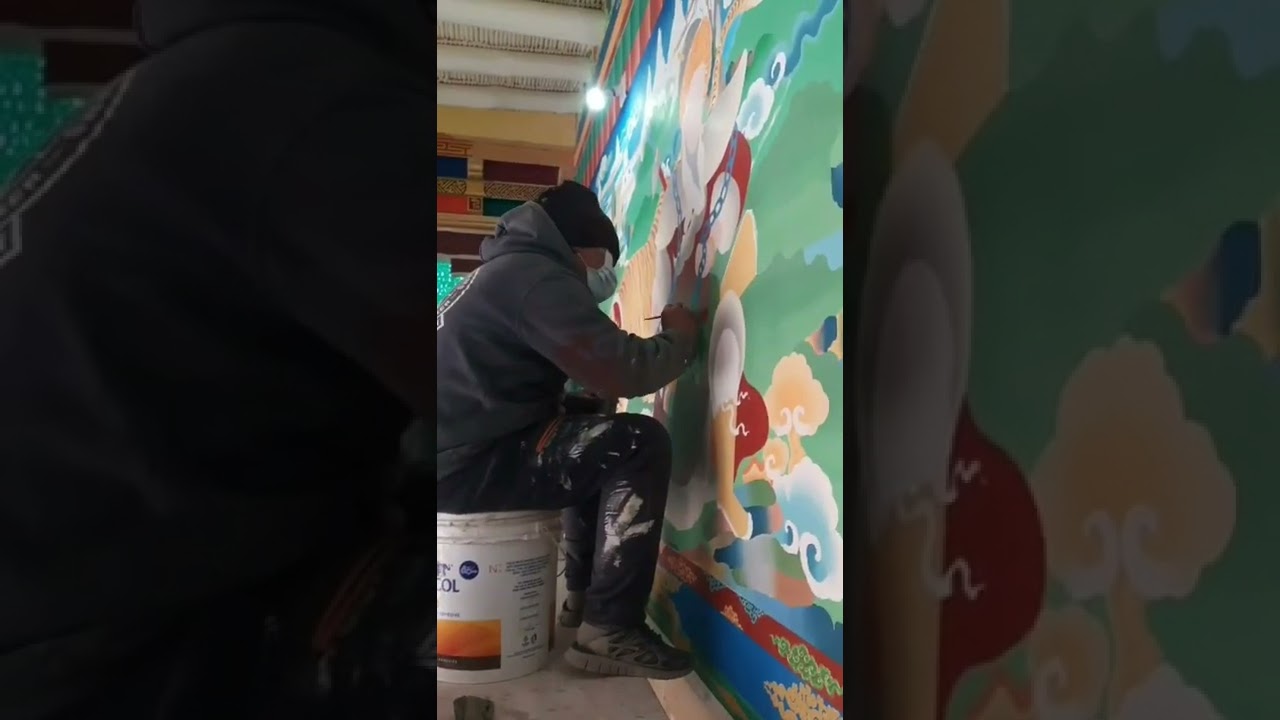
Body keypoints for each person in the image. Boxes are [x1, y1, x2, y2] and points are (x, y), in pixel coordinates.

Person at [0, 0, 438, 718]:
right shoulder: (313, 95)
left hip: (74, 618)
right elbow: (469, 380)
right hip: (123, 655)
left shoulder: (208, 79)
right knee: (499, 588)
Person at [436, 180, 704, 679]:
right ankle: (612, 629)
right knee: (636, 444)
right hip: (469, 464)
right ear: (577, 246)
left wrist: (576, 403)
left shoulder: (504, 271)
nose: (605, 275)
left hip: (455, 455)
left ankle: (582, 601)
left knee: (589, 437)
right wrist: (679, 340)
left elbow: (506, 386)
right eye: (604, 259)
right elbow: (624, 368)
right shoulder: (538, 276)